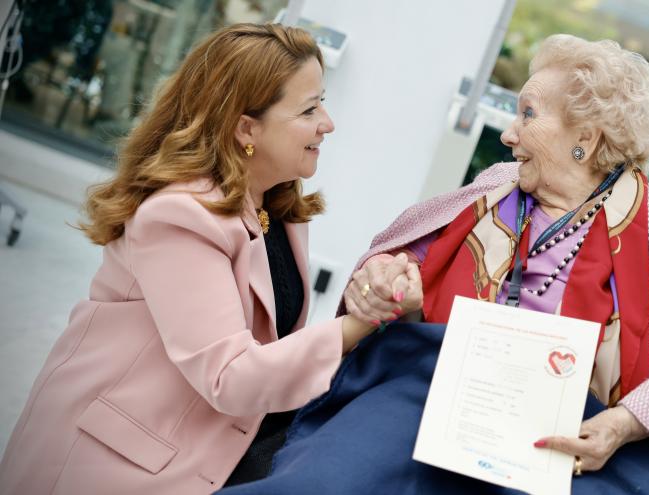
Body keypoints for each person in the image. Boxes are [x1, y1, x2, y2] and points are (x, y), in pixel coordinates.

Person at [217, 34, 649, 495]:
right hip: (433, 393)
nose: (509, 133)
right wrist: (384, 280)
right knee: (326, 484)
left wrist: (625, 423)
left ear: (585, 138)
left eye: (528, 115)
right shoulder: (494, 188)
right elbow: (404, 260)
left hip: (574, 434)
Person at [0, 23, 419, 495]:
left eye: (323, 100)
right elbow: (230, 376)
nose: (328, 122)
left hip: (215, 441)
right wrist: (361, 322)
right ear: (246, 127)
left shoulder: (276, 208)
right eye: (309, 108)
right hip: (120, 463)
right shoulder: (179, 216)